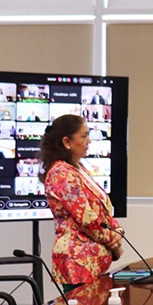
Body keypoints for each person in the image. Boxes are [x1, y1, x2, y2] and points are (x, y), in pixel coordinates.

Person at [39, 114, 122, 292]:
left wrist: (118, 230)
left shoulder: (77, 168)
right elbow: (87, 219)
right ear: (67, 142)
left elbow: (101, 209)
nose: (89, 141)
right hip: (77, 262)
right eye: (84, 136)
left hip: (93, 261)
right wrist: (112, 240)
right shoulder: (62, 173)